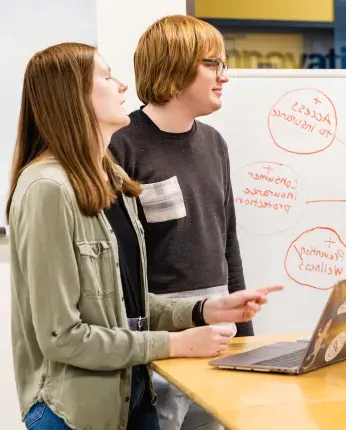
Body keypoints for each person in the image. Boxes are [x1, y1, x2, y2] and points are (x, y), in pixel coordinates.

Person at [7, 42, 282, 430]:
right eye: (106, 76)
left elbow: (126, 308)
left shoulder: (113, 180)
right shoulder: (47, 188)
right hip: (73, 414)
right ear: (71, 96)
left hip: (132, 396)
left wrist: (202, 310)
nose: (122, 86)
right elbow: (63, 337)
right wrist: (175, 345)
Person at [108, 15, 252, 430]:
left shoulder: (214, 143)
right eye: (213, 64)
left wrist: (245, 334)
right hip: (160, 336)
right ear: (173, 69)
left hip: (220, 326)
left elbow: (228, 242)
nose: (224, 76)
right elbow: (119, 262)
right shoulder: (121, 145)